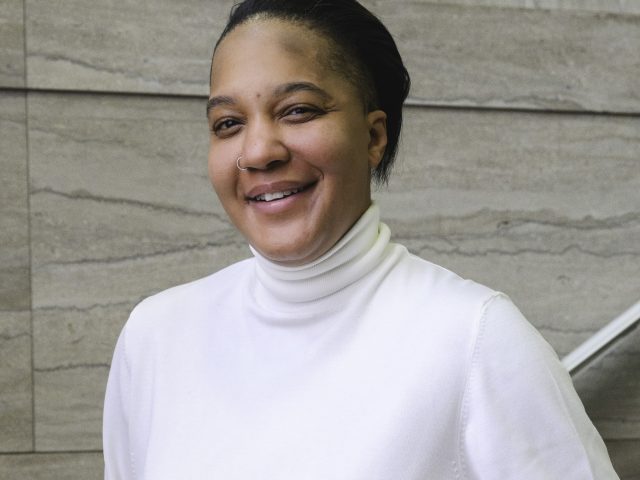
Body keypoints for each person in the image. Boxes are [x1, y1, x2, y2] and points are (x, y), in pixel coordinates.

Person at [103, 0, 619, 478]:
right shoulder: (156, 336)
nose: (258, 152)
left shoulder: (475, 339)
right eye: (228, 122)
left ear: (374, 136)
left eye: (298, 110)